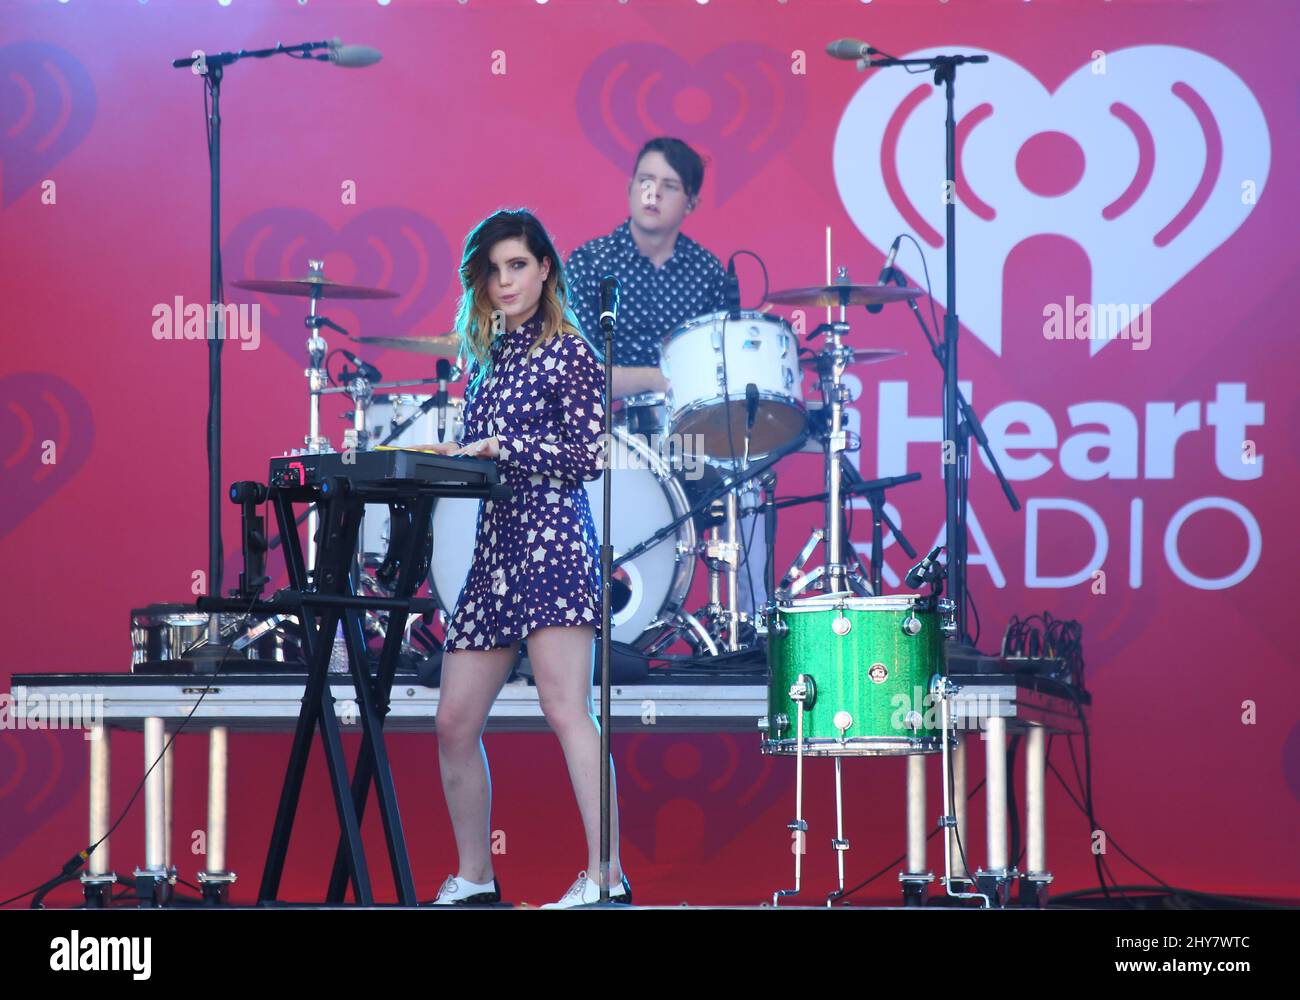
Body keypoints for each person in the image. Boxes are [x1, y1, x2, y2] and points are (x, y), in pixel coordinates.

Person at [423, 209, 630, 908]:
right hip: (495, 552)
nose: (506, 280)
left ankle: (607, 879)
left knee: (566, 707)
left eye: (519, 265)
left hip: (553, 543)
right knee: (453, 721)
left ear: (546, 269)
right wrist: (452, 457)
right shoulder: (489, 358)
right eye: (494, 269)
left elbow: (589, 456)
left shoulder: (570, 351)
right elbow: (484, 453)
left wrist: (506, 447)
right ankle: (476, 877)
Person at [565, 136, 767, 625]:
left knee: (749, 484)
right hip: (604, 440)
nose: (652, 194)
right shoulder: (590, 264)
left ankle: (747, 630)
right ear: (631, 187)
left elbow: (722, 376)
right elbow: (579, 375)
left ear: (690, 202)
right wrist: (658, 378)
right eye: (644, 181)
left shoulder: (707, 273)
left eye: (669, 186)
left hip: (686, 440)